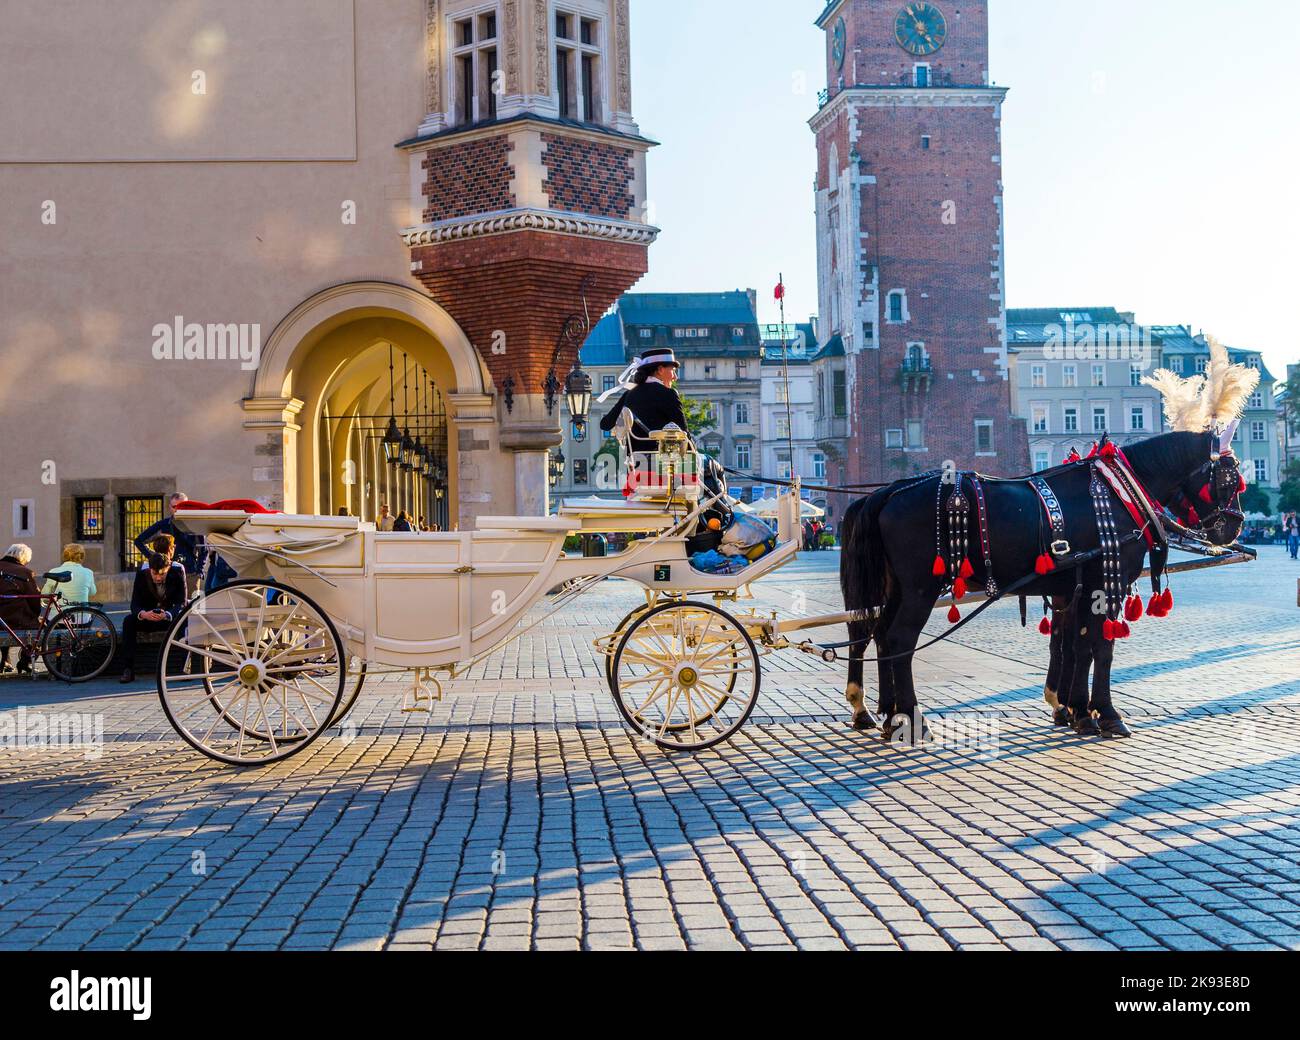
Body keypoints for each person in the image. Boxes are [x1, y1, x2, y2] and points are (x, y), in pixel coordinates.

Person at [599, 351, 689, 453]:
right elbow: (684, 432)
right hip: (663, 462)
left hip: (635, 462)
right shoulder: (668, 393)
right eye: (673, 371)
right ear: (660, 370)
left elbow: (605, 424)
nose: (675, 377)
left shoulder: (628, 394)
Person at [119, 552, 186, 684]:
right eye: (155, 574)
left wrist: (168, 614)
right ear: (150, 569)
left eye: (162, 574)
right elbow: (135, 604)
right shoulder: (141, 575)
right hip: (147, 617)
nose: (158, 578)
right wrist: (143, 614)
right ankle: (128, 669)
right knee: (128, 621)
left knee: (185, 621)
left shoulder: (177, 572)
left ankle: (183, 668)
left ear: (168, 569)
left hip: (169, 619)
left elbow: (182, 602)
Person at [135, 493, 200, 595]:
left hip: (191, 574)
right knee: (170, 607)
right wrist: (155, 557)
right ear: (170, 507)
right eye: (175, 506)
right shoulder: (163, 525)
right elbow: (138, 541)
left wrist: (199, 571)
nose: (178, 509)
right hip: (168, 573)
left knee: (195, 608)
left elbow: (203, 548)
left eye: (182, 506)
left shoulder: (195, 525)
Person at [0, 544, 41, 674]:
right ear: (23, 558)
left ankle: (5, 660)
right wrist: (35, 615)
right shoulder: (24, 572)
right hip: (15, 619)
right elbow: (35, 600)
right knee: (40, 628)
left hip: (2, 619)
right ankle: (25, 661)